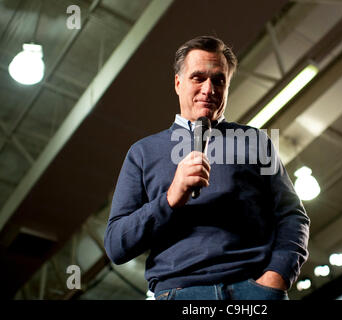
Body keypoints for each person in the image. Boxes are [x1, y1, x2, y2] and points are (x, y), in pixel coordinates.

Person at [104, 36, 310, 300]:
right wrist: (170, 198)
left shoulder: (257, 141)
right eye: (198, 78)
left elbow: (292, 216)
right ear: (178, 83)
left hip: (253, 290)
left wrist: (276, 277)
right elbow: (116, 245)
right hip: (180, 293)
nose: (209, 89)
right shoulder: (142, 153)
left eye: (219, 80)